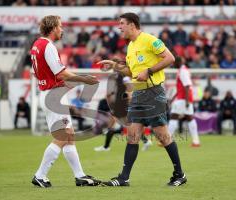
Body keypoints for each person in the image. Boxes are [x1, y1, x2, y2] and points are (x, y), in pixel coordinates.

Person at [98, 13, 186, 187]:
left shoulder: (149, 39)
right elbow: (132, 72)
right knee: (132, 135)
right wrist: (114, 65)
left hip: (154, 92)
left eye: (122, 23)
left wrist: (149, 71)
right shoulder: (130, 46)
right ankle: (124, 178)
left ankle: (179, 174)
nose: (119, 27)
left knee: (162, 136)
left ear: (132, 25)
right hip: (138, 94)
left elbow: (170, 58)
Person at [30, 15, 101, 188]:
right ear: (53, 28)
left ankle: (80, 176)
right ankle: (40, 175)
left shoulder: (36, 45)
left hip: (49, 93)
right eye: (60, 26)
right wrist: (84, 79)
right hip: (53, 95)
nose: (62, 29)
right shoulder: (48, 46)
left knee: (69, 136)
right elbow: (60, 73)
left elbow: (42, 73)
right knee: (64, 135)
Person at [168, 57, 201, 147]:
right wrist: (173, 97)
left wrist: (186, 101)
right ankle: (196, 141)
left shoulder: (182, 71)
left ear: (177, 63)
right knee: (190, 118)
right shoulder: (183, 70)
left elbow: (187, 86)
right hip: (185, 98)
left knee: (173, 116)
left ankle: (167, 140)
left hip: (183, 99)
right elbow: (182, 87)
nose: (173, 65)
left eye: (173, 63)